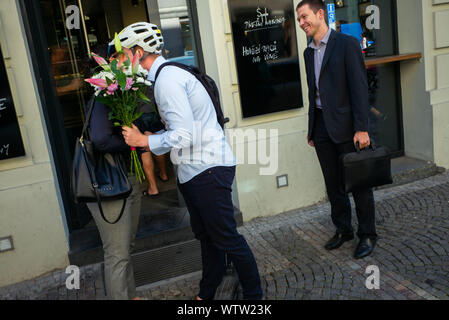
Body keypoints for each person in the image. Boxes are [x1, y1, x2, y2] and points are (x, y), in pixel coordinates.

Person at [119, 22, 263, 300]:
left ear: (138, 52)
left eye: (125, 54)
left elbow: (183, 135)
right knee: (208, 239)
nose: (123, 61)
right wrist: (157, 134)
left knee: (226, 238)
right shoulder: (167, 75)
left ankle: (254, 296)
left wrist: (145, 141)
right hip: (195, 171)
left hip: (207, 169)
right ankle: (206, 293)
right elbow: (182, 127)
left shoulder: (167, 81)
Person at [297, 0, 377, 259]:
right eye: (299, 19)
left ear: (321, 14)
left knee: (359, 183)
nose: (301, 23)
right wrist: (312, 128)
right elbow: (315, 93)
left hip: (347, 128)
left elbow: (359, 89)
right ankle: (343, 229)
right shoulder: (309, 52)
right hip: (321, 127)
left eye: (305, 16)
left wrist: (361, 128)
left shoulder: (346, 45)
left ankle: (367, 233)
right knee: (333, 185)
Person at [84, 44, 143, 300]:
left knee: (125, 248)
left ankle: (130, 295)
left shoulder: (118, 95)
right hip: (110, 186)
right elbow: (99, 139)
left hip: (127, 180)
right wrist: (131, 143)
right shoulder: (101, 99)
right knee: (117, 254)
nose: (127, 62)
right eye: (122, 58)